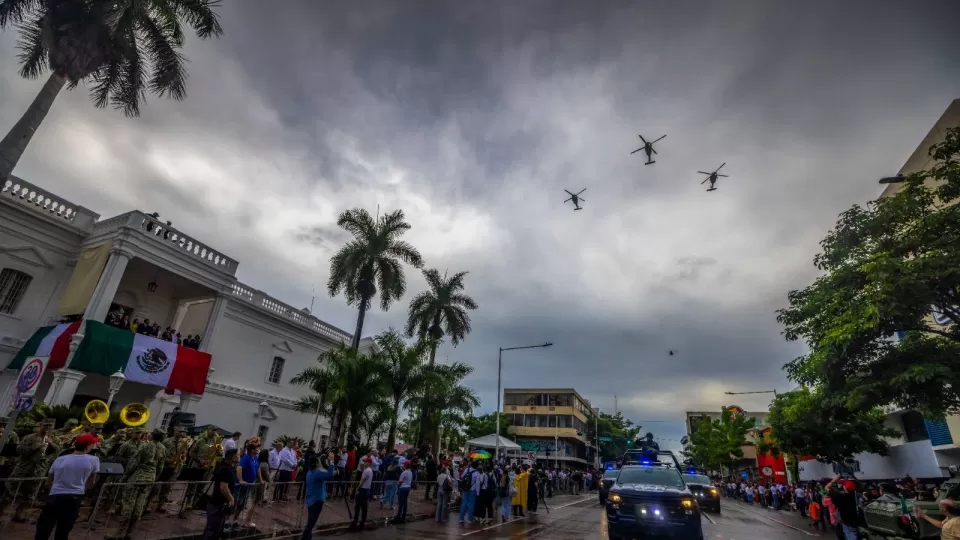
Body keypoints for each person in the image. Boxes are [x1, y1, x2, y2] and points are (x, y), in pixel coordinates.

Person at [34, 433, 100, 540]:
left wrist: (53, 491)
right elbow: (91, 482)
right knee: (63, 530)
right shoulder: (93, 460)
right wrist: (83, 489)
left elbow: (49, 481)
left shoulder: (60, 459)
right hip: (75, 497)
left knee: (44, 529)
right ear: (88, 446)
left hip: (55, 496)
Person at [203, 448, 239, 540]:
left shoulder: (225, 467)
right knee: (213, 529)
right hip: (217, 503)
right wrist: (231, 498)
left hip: (218, 503)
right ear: (234, 458)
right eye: (238, 455)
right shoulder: (226, 470)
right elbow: (223, 487)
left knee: (215, 528)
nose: (240, 456)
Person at [300, 452, 335, 540]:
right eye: (318, 461)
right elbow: (329, 475)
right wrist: (331, 461)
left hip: (312, 500)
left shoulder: (311, 472)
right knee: (311, 524)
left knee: (310, 523)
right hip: (316, 501)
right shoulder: (316, 473)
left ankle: (306, 538)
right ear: (316, 463)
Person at [825, 475, 860, 540]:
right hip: (856, 523)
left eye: (844, 485)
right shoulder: (856, 496)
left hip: (847, 523)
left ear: (845, 488)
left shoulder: (841, 497)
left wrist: (833, 481)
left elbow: (826, 488)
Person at [348, 458, 374, 530]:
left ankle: (355, 523)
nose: (364, 463)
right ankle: (362, 523)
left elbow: (361, 481)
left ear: (368, 463)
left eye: (365, 462)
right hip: (367, 490)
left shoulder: (366, 471)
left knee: (357, 507)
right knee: (364, 507)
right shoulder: (371, 471)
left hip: (363, 490)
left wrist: (357, 489)